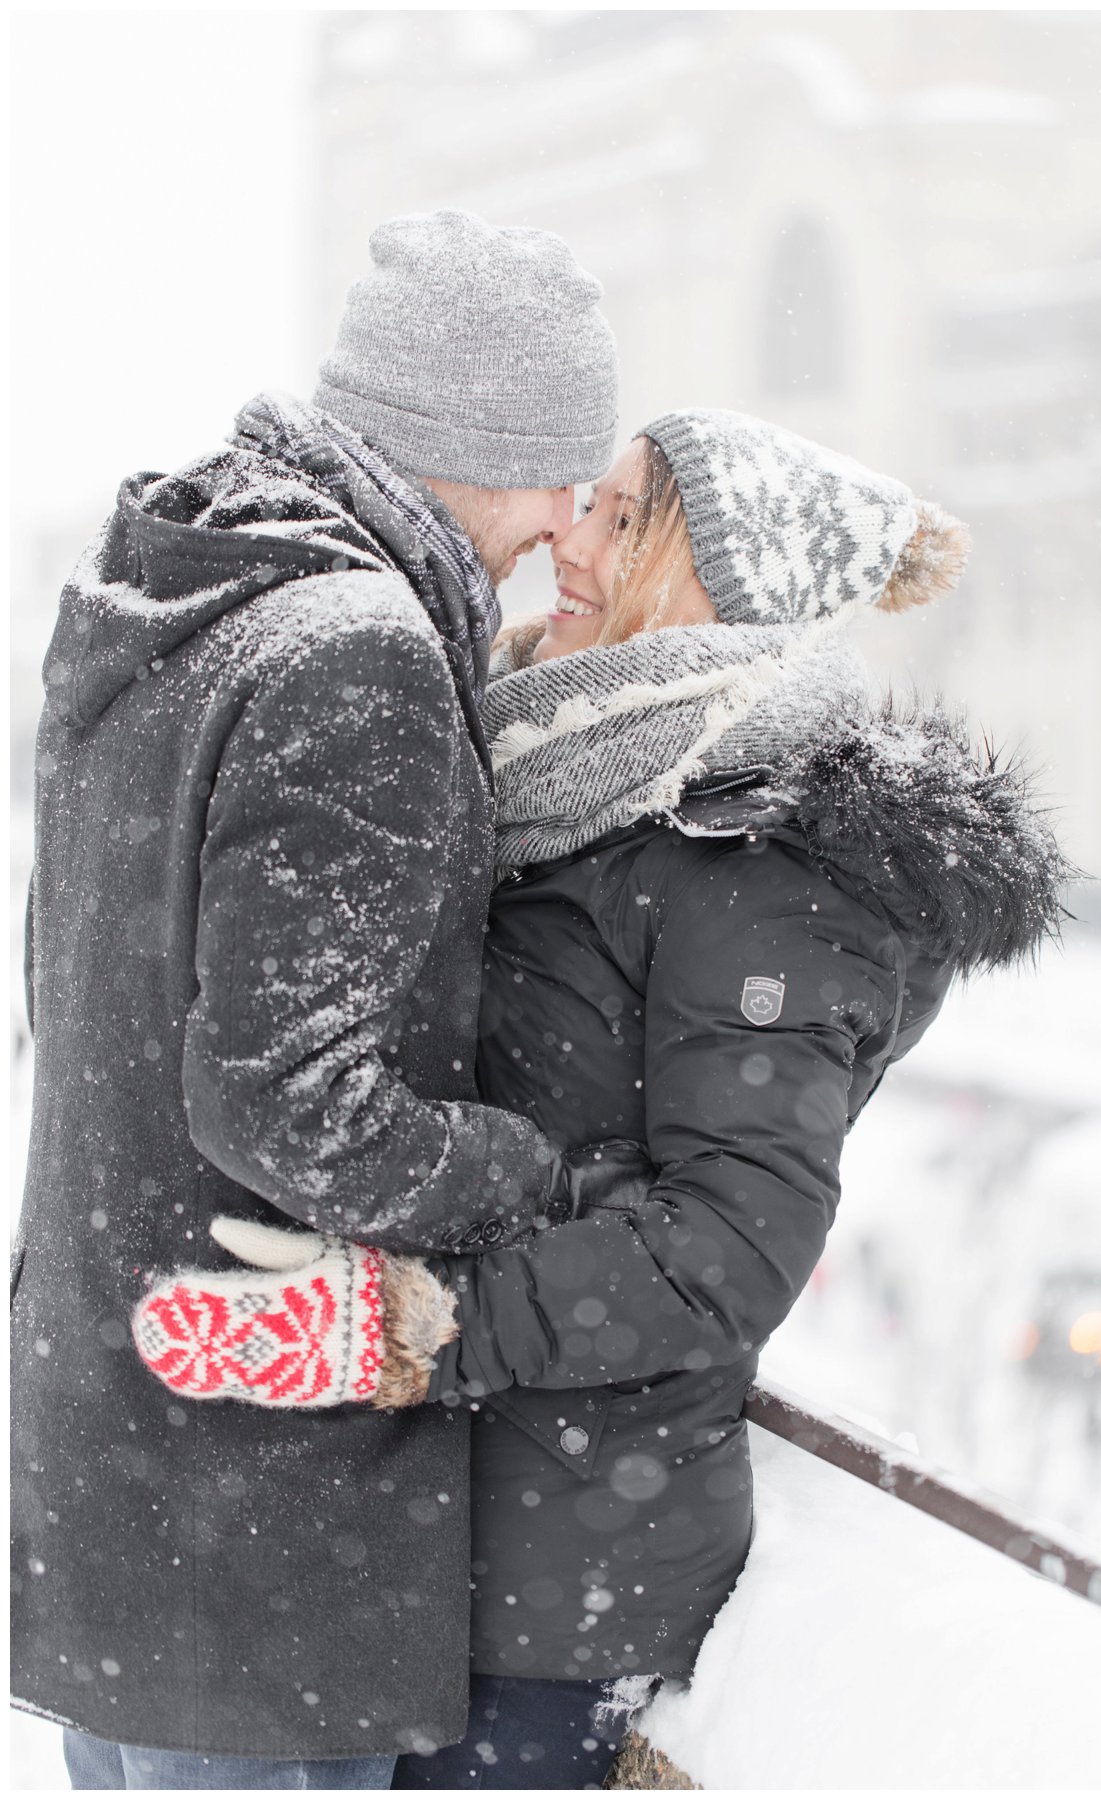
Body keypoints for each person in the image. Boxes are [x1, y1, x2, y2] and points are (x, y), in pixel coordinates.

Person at [135, 409, 1073, 1788]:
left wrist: (407, 1325)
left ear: (725, 587)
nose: (569, 534)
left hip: (562, 1592)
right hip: (451, 1550)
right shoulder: (584, 796)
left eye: (625, 517)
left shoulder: (764, 874)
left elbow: (729, 1247)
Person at [11, 208, 656, 1790]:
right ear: (477, 443)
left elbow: (65, 986)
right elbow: (286, 1100)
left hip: (128, 1453)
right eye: (564, 473)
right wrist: (540, 1176)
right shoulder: (352, 654)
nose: (567, 524)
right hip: (253, 1496)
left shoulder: (188, 597)